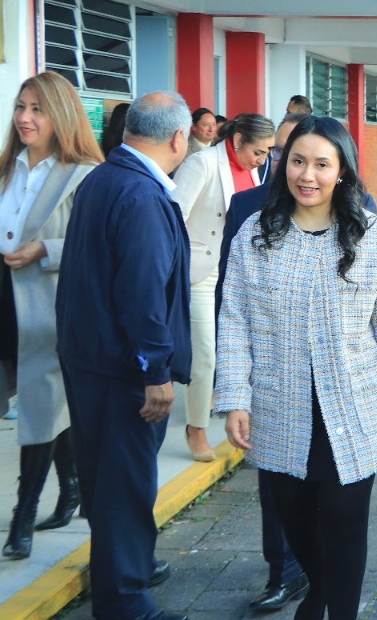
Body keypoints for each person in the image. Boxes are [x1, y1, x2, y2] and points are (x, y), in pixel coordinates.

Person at [215, 116, 377, 620]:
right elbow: (235, 320)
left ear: (343, 172)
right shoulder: (256, 233)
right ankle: (322, 588)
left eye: (322, 164)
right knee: (295, 518)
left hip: (355, 406)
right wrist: (234, 398)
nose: (307, 175)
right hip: (279, 403)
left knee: (344, 522)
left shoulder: (373, 239)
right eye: (298, 161)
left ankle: (338, 609)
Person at [55, 91, 193, 620]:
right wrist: (154, 369)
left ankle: (122, 578)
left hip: (93, 361)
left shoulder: (103, 179)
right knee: (124, 488)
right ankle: (126, 604)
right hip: (122, 371)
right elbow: (142, 292)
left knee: (106, 483)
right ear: (178, 138)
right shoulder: (139, 194)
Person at [0, 72, 103, 559]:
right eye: (21, 106)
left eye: (37, 109)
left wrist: (44, 248)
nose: (24, 118)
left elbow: (99, 244)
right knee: (49, 404)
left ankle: (22, 517)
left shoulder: (82, 175)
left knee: (41, 406)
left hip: (51, 308)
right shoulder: (9, 168)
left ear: (60, 115)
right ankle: (72, 492)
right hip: (6, 299)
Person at [214, 112, 311, 613]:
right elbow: (229, 303)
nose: (298, 168)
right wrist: (232, 386)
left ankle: (319, 562)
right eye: (286, 153)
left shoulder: (356, 206)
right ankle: (284, 569)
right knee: (274, 482)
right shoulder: (246, 206)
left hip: (332, 378)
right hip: (270, 375)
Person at [173, 113, 273, 462]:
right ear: (238, 138)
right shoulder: (201, 163)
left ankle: (241, 415)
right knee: (206, 354)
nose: (262, 160)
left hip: (242, 272)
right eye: (258, 152)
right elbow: (174, 218)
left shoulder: (256, 172)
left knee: (244, 350)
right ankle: (196, 428)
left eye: (267, 153)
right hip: (203, 270)